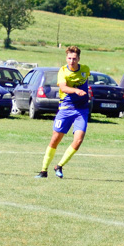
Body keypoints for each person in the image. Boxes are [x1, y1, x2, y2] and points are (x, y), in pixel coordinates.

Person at [36, 45, 90, 179]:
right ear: (66, 58)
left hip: (81, 110)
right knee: (55, 139)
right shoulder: (63, 71)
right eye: (69, 58)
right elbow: (63, 87)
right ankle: (43, 170)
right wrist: (76, 91)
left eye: (74, 58)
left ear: (79, 59)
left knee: (78, 141)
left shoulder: (85, 69)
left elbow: (85, 83)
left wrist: (85, 94)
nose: (72, 61)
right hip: (66, 109)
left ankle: (59, 166)